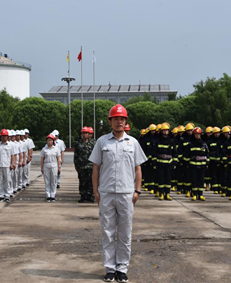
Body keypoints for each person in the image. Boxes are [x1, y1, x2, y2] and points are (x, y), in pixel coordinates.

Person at [89, 104, 147, 283]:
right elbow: (96, 168)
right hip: (106, 193)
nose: (119, 121)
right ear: (110, 121)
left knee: (124, 232)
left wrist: (137, 190)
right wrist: (96, 191)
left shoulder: (133, 142)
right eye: (116, 118)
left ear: (125, 121)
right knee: (107, 232)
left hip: (126, 194)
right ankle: (109, 268)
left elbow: (138, 168)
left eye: (122, 119)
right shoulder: (102, 142)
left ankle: (122, 268)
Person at [154, 123, 176, 201]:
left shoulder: (171, 141)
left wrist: (174, 163)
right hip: (160, 163)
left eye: (166, 130)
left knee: (168, 179)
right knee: (161, 179)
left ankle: (167, 193)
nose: (165, 132)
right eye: (164, 130)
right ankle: (162, 194)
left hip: (168, 164)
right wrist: (154, 163)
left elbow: (174, 153)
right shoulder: (158, 141)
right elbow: (154, 153)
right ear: (161, 131)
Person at [74, 127, 95, 203]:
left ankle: (90, 196)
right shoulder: (78, 143)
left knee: (90, 181)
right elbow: (76, 155)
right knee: (82, 182)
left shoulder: (93, 143)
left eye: (86, 133)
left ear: (88, 134)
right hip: (81, 166)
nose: (84, 134)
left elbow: (95, 155)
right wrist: (76, 165)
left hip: (90, 166)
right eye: (83, 133)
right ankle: (83, 196)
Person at [0, 129, 14, 202]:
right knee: (0, 181)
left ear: (7, 137)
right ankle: (1, 196)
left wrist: (12, 164)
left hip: (7, 166)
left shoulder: (10, 145)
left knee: (7, 181)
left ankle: (7, 195)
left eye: (5, 136)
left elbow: (12, 156)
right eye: (2, 136)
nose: (4, 137)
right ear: (0, 137)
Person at [188, 127, 209, 201]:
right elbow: (187, 155)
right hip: (193, 165)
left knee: (201, 180)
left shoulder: (204, 144)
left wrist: (207, 163)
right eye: (196, 134)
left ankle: (200, 194)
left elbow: (207, 154)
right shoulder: (190, 144)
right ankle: (194, 194)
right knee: (194, 180)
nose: (197, 136)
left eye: (199, 134)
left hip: (202, 165)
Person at [41, 133, 61, 202]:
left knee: (53, 180)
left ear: (53, 141)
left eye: (51, 140)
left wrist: (59, 167)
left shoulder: (56, 149)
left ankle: (53, 195)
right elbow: (42, 159)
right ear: (46, 141)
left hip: (54, 165)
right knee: (47, 181)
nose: (49, 142)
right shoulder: (44, 149)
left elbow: (58, 158)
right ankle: (48, 195)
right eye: (48, 140)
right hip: (46, 165)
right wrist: (41, 168)